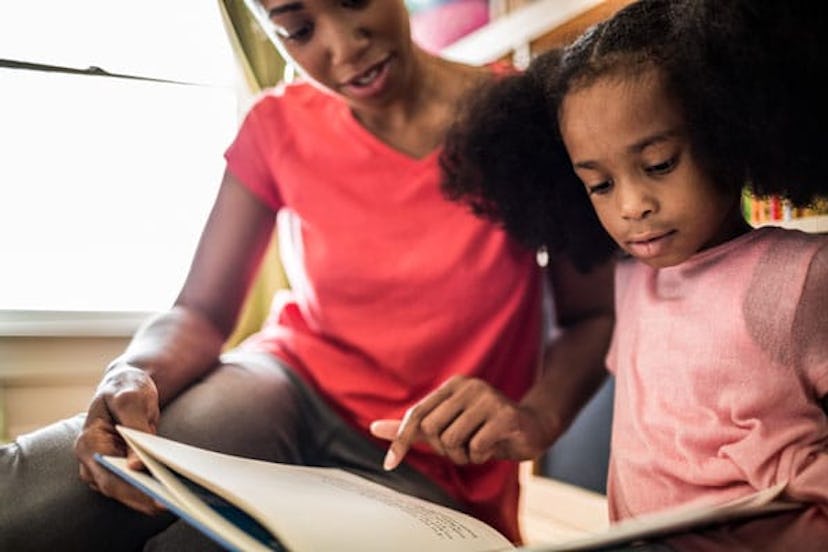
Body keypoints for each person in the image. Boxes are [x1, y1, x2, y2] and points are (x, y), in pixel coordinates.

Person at [0, 0, 615, 549]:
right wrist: (134, 370)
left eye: (354, 0)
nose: (346, 47)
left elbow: (591, 316)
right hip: (286, 390)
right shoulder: (277, 126)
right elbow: (203, 311)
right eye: (297, 28)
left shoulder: (524, 117)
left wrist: (534, 418)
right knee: (69, 489)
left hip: (432, 461)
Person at [441, 0, 828, 548]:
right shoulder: (631, 281)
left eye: (660, 164)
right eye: (599, 185)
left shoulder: (802, 277)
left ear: (731, 129)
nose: (632, 205)